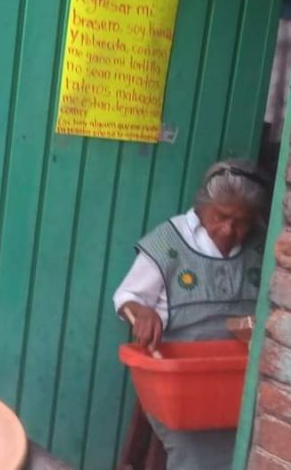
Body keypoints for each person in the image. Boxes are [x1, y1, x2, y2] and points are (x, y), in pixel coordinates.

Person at [113, 159, 268, 470]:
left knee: (265, 439)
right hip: (182, 391)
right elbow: (126, 297)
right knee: (200, 456)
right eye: (221, 216)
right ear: (202, 207)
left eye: (241, 221)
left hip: (239, 381)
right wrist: (141, 312)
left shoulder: (260, 243)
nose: (229, 230)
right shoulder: (169, 241)